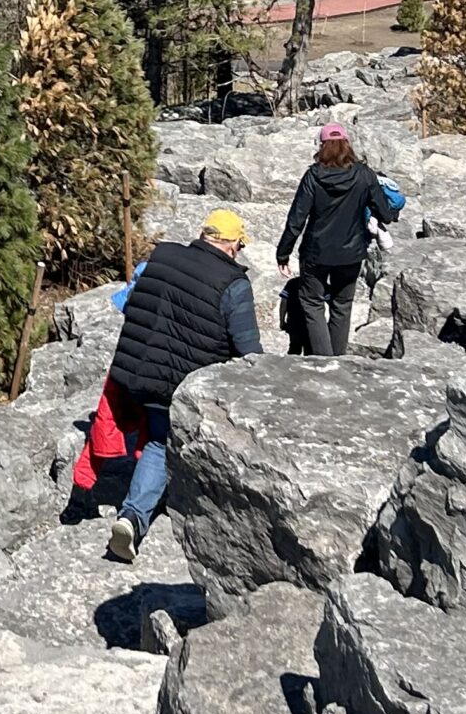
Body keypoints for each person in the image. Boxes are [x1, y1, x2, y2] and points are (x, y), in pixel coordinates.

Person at [71, 208, 263, 564]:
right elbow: (250, 354)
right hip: (175, 387)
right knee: (162, 441)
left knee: (155, 430)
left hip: (131, 372)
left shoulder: (162, 255)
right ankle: (133, 517)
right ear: (233, 244)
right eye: (239, 245)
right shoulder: (234, 284)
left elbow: (131, 304)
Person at [275, 124, 403, 357]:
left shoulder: (313, 176)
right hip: (351, 253)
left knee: (312, 303)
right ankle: (337, 361)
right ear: (347, 145)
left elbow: (296, 219)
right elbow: (385, 213)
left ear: (322, 146)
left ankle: (323, 362)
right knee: (342, 305)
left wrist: (283, 254)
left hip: (316, 252)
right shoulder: (364, 174)